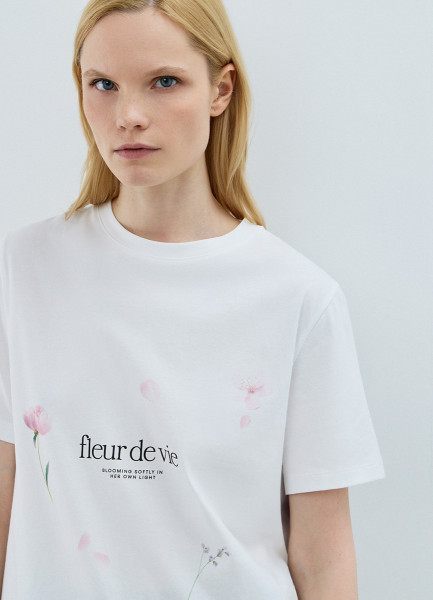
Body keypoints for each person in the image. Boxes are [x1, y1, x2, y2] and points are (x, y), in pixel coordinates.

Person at [0, 0, 386, 598]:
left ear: (220, 90)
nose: (128, 116)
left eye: (164, 82)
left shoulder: (299, 299)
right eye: (103, 84)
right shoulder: (23, 272)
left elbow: (322, 558)